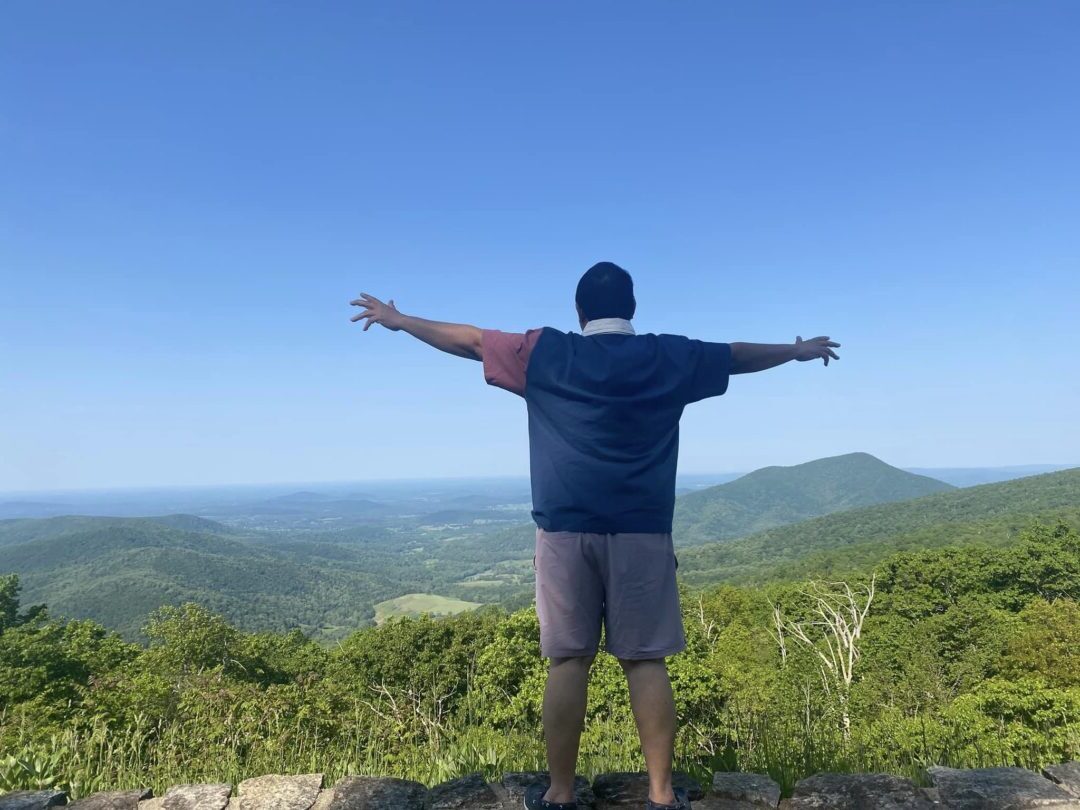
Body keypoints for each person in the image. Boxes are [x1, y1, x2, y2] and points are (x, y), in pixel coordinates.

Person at [350, 262, 839, 810]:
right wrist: (793, 351)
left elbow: (469, 341)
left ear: (578, 312)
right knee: (646, 661)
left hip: (563, 533)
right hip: (642, 530)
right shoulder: (669, 356)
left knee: (568, 662)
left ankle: (560, 794)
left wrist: (399, 319)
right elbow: (736, 355)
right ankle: (660, 796)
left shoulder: (546, 352)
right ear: (632, 309)